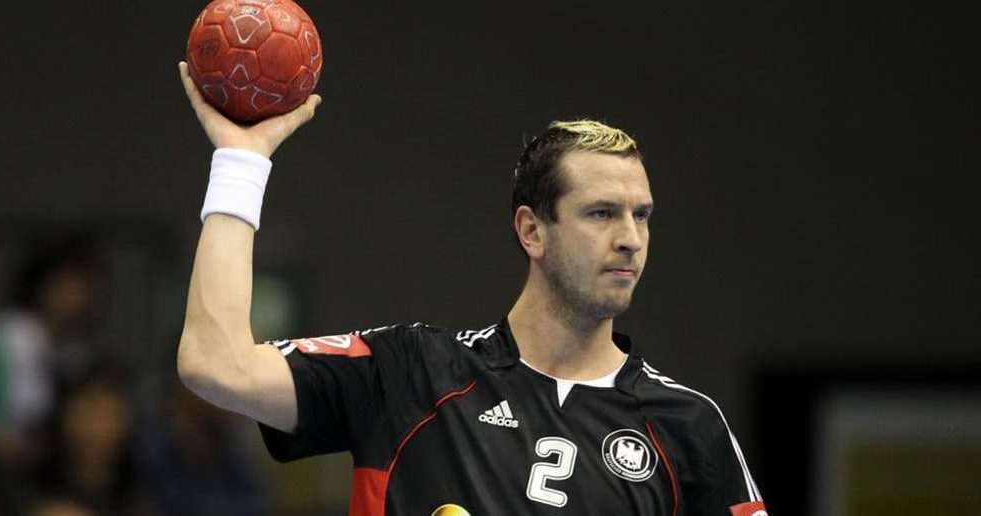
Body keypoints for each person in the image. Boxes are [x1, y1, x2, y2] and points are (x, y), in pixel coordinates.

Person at [175, 61, 769, 516]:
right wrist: (240, 162)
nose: (631, 239)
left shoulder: (689, 425)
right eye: (601, 214)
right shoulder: (412, 374)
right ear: (532, 231)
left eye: (642, 216)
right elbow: (216, 365)